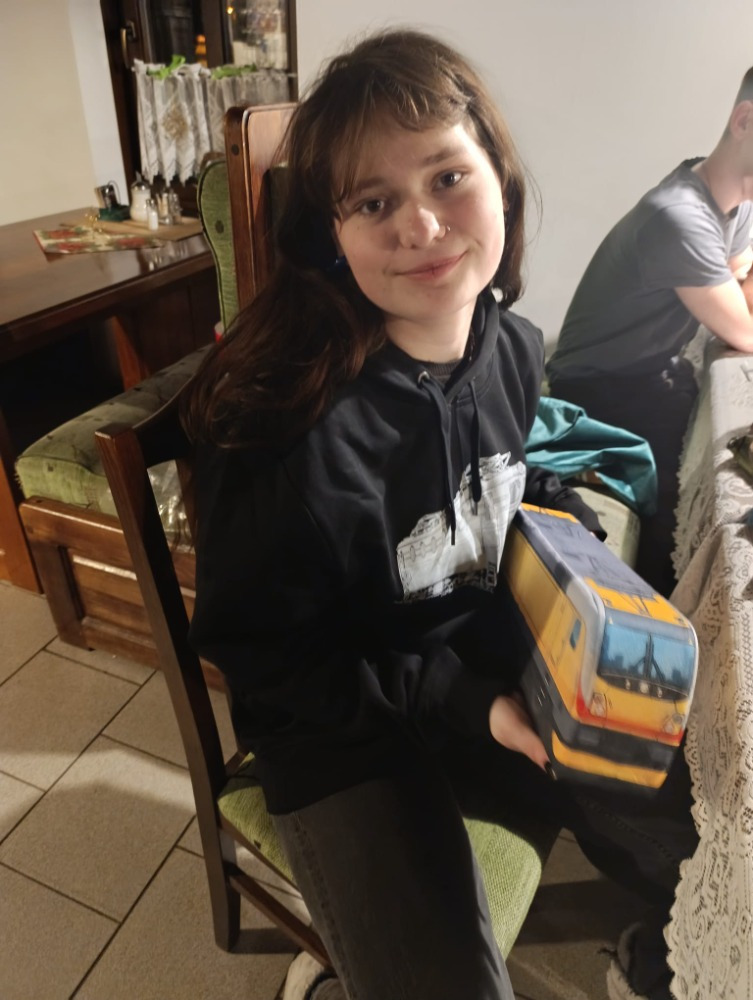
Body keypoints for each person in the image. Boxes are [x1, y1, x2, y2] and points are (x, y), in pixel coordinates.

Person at [184, 29, 698, 1000]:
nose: (421, 226)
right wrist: (467, 703)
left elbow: (501, 487)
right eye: (373, 202)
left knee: (696, 825)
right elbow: (270, 659)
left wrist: (578, 563)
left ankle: (661, 956)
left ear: (500, 181)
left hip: (482, 662)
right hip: (343, 730)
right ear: (330, 236)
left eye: (447, 178)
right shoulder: (284, 427)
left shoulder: (514, 349)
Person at [547, 67, 753, 597]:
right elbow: (745, 331)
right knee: (687, 491)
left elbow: (740, 293)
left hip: (649, 370)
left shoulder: (734, 204)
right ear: (744, 121)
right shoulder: (679, 217)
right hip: (597, 386)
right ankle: (656, 605)